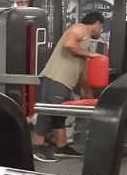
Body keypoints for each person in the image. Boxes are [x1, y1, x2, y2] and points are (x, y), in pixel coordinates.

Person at [31, 11, 105, 163]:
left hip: (65, 83)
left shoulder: (85, 45)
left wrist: (89, 95)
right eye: (101, 27)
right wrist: (91, 55)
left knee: (59, 114)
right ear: (97, 23)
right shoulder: (80, 28)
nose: (101, 30)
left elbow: (83, 75)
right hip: (56, 78)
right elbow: (69, 44)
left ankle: (61, 147)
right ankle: (37, 148)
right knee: (47, 112)